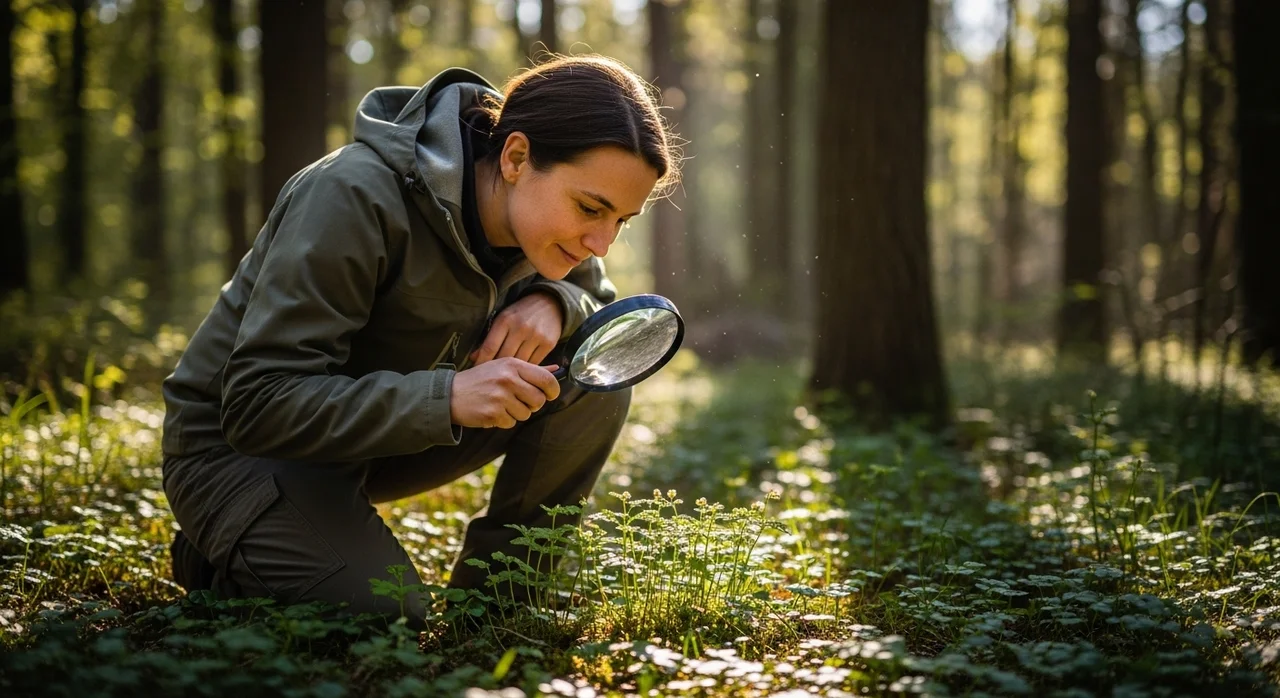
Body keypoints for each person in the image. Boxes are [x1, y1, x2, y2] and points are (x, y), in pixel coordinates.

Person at [160, 54, 679, 624]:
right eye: (590, 208)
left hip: (368, 445)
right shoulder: (352, 195)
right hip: (240, 454)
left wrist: (554, 300)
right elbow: (259, 404)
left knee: (595, 377)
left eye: (621, 222)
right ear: (515, 156)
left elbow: (599, 301)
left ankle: (497, 605)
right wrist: (450, 398)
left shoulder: (548, 237)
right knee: (389, 614)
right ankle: (226, 553)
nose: (601, 243)